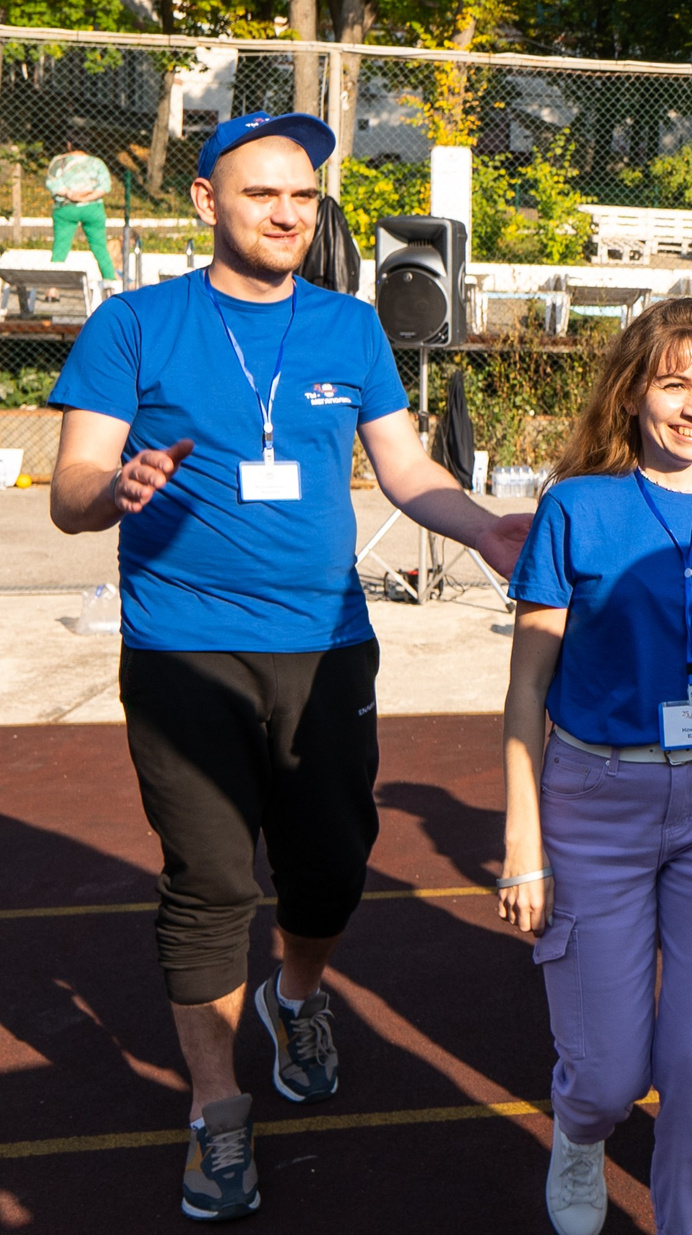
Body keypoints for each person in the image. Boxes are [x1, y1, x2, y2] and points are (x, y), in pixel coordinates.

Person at [45, 110, 534, 1223]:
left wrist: (483, 528)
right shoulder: (135, 325)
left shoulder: (349, 328)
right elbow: (72, 489)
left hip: (326, 648)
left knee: (331, 868)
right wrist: (113, 489)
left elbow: (403, 467)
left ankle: (295, 996)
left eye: (303, 195)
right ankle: (216, 1109)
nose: (286, 213)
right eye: (262, 192)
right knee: (211, 882)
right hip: (183, 649)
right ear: (206, 201)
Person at [495, 298, 692, 1235]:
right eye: (675, 382)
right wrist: (523, 842)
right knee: (609, 1073)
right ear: (632, 393)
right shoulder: (575, 508)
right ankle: (580, 1130)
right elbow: (527, 686)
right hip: (595, 801)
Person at [46, 138, 117, 281]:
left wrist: (70, 194)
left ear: (69, 144)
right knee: (100, 248)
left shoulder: (59, 161)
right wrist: (87, 197)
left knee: (60, 247)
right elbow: (105, 187)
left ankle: (53, 287)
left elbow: (52, 183)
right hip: (92, 208)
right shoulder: (97, 163)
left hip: (66, 208)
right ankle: (111, 282)